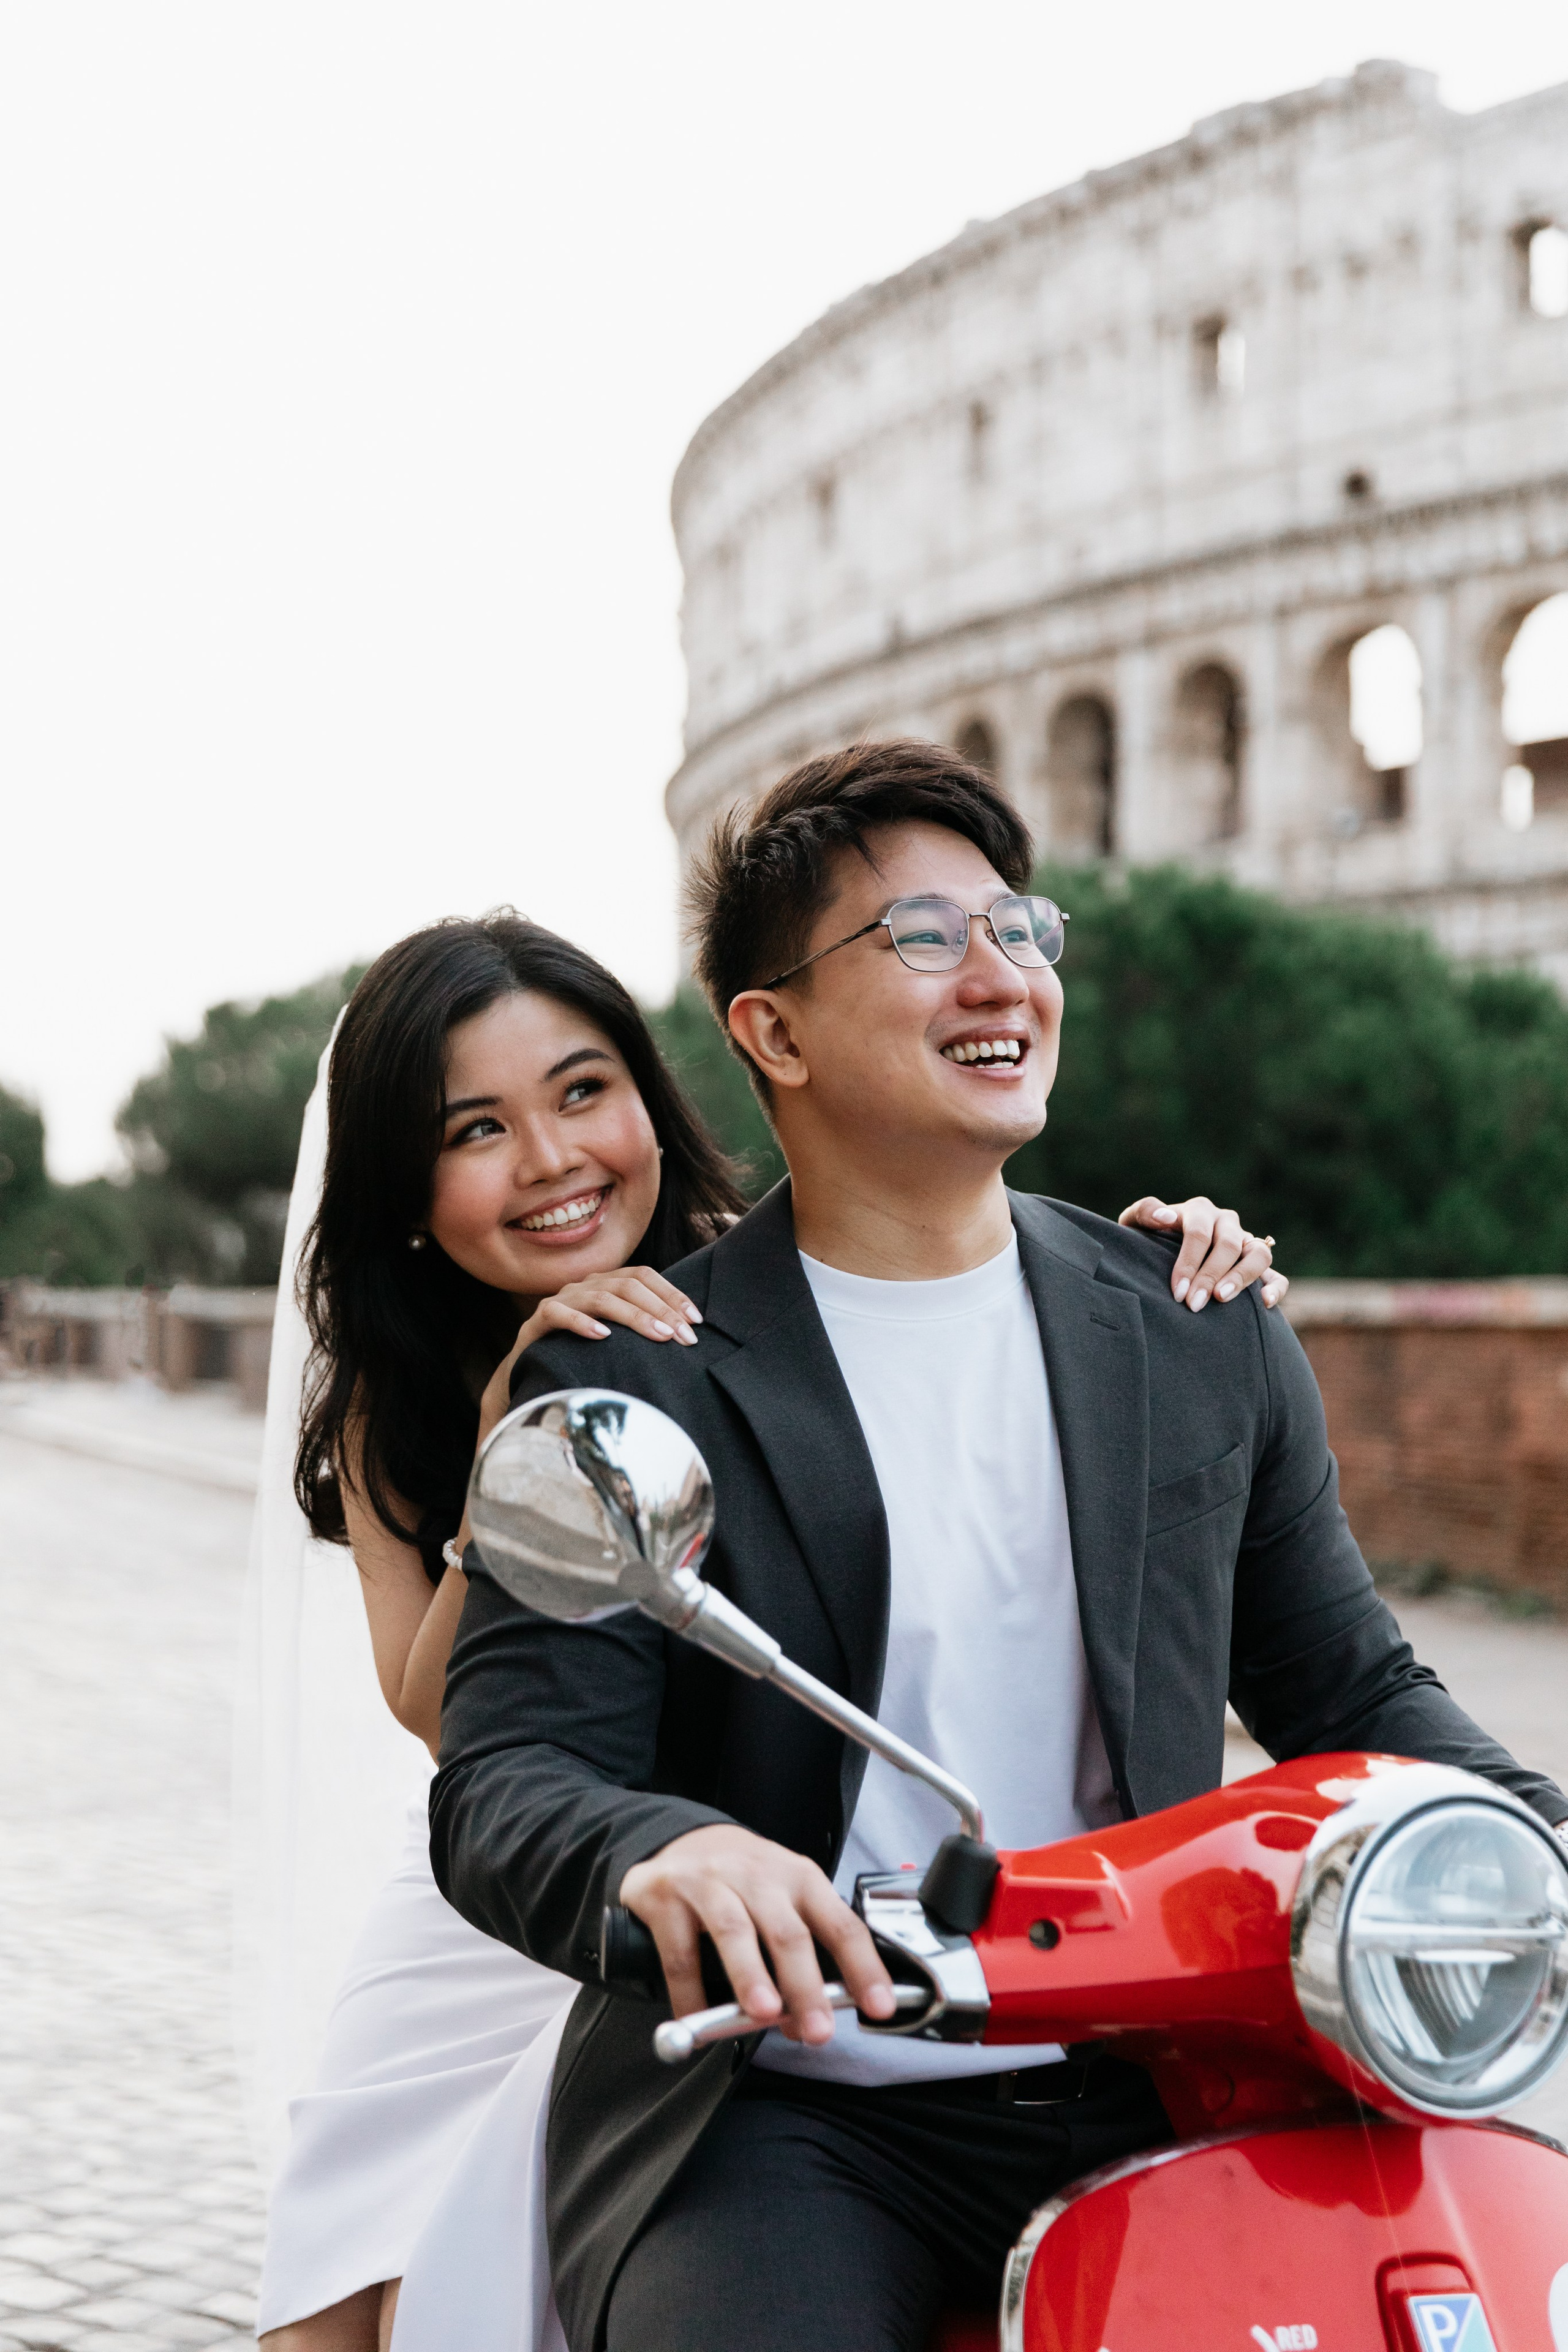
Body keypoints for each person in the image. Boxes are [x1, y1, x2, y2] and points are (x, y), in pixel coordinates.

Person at [429, 741, 1568, 2352]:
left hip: (1181, 2067)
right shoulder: (633, 1372)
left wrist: (1545, 1838)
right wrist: (660, 1855)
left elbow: (1351, 1687)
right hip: (795, 2105)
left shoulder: (1197, 1328)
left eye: (1024, 931)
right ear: (774, 1031)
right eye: (922, 938)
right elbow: (508, 1779)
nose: (1003, 976)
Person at [250, 903, 1283, 2352]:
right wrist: (522, 1441)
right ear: (407, 1191)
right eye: (474, 1129)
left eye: (582, 1091)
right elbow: (441, 1718)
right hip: (534, 1875)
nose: (550, 1160)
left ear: (650, 1102)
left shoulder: (766, 1295)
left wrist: (1155, 1271)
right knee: (347, 2276)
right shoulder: (397, 1402)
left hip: (787, 1861)